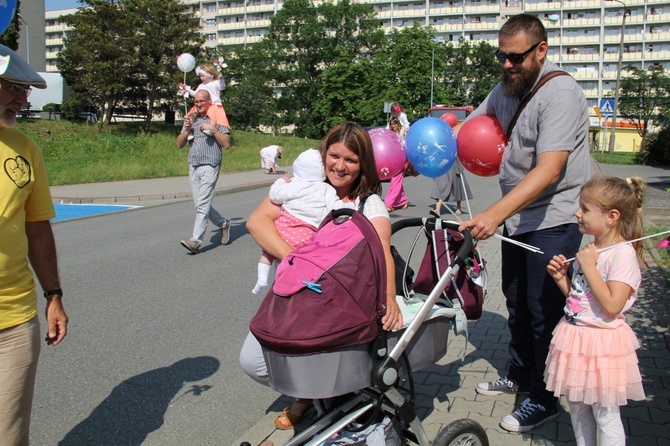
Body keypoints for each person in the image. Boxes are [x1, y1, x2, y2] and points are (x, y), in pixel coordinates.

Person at [456, 14, 591, 432]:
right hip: (519, 220)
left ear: (541, 50)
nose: (507, 65)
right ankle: (518, 373)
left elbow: (550, 169)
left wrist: (495, 214)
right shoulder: (506, 88)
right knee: (515, 300)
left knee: (543, 311)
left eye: (516, 57)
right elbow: (468, 128)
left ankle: (544, 397)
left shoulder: (561, 94)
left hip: (553, 218)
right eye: (502, 56)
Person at [241, 122, 403, 430]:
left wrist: (389, 298)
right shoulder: (298, 184)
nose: (340, 166)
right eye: (334, 156)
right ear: (323, 154)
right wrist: (297, 261)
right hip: (289, 294)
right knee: (253, 361)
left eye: (351, 160)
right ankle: (310, 393)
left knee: (322, 363)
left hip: (335, 307)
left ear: (362, 164)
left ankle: (314, 400)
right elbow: (256, 223)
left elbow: (382, 248)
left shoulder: (366, 203)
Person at [0, 44, 69, 444]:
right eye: (12, 87)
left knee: (9, 434)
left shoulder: (26, 149)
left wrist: (54, 295)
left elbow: (38, 228)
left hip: (13, 318)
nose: (23, 99)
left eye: (25, 90)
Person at [546, 176, 646, 446]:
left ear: (612, 216)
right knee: (578, 409)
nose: (577, 213)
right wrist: (561, 279)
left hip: (602, 347)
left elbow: (612, 306)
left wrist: (589, 267)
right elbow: (582, 301)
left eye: (585, 209)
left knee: (605, 414)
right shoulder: (591, 249)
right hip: (576, 340)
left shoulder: (621, 255)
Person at [252, 148, 353, 295]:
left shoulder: (292, 185)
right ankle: (298, 286)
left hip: (282, 229)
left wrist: (281, 181)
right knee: (303, 265)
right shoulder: (325, 189)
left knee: (268, 253)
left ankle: (262, 280)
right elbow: (335, 209)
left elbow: (274, 195)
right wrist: (350, 207)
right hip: (306, 233)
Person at [177, 90, 232, 254]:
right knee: (200, 204)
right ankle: (223, 224)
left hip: (211, 164)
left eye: (202, 101)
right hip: (194, 164)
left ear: (209, 101)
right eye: (196, 102)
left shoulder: (217, 118)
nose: (199, 104)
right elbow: (179, 144)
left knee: (202, 205)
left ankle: (196, 241)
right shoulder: (191, 119)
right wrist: (186, 129)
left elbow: (227, 144)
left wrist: (213, 129)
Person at [180, 62, 231, 131]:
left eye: (202, 76)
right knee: (193, 113)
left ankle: (211, 128)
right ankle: (189, 127)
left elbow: (222, 87)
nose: (201, 78)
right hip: (202, 104)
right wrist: (187, 89)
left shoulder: (215, 83)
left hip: (213, 104)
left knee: (213, 116)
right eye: (200, 76)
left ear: (210, 75)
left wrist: (221, 79)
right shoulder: (201, 85)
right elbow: (195, 94)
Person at [384, 117, 409, 212]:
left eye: (395, 124)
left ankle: (388, 203)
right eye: (392, 124)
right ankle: (403, 201)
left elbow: (403, 144)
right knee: (396, 181)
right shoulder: (390, 133)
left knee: (395, 181)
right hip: (393, 159)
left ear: (398, 124)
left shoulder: (402, 131)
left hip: (402, 158)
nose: (393, 126)